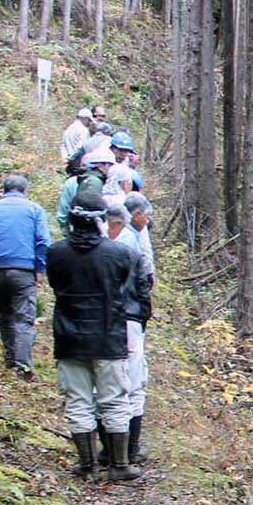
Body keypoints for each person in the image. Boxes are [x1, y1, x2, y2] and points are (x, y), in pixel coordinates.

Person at [47, 191, 149, 481]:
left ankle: (87, 465)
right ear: (101, 220)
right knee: (115, 399)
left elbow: (56, 285)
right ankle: (119, 465)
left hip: (69, 338)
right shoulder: (120, 254)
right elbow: (127, 285)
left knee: (78, 400)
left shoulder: (56, 253)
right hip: (109, 337)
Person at [0, 175, 50, 377]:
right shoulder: (34, 210)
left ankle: (9, 358)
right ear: (25, 190)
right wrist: (39, 269)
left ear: (4, 190)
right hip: (24, 270)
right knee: (24, 318)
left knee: (3, 315)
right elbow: (42, 241)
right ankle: (22, 368)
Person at [106, 199, 155, 466]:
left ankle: (113, 452)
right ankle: (128, 451)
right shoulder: (129, 246)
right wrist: (142, 313)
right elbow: (143, 280)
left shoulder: (105, 245)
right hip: (128, 318)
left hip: (113, 319)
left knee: (108, 386)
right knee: (132, 382)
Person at [57, 144, 121, 229]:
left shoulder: (90, 180)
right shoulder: (95, 183)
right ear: (100, 166)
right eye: (110, 165)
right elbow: (92, 210)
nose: (111, 169)